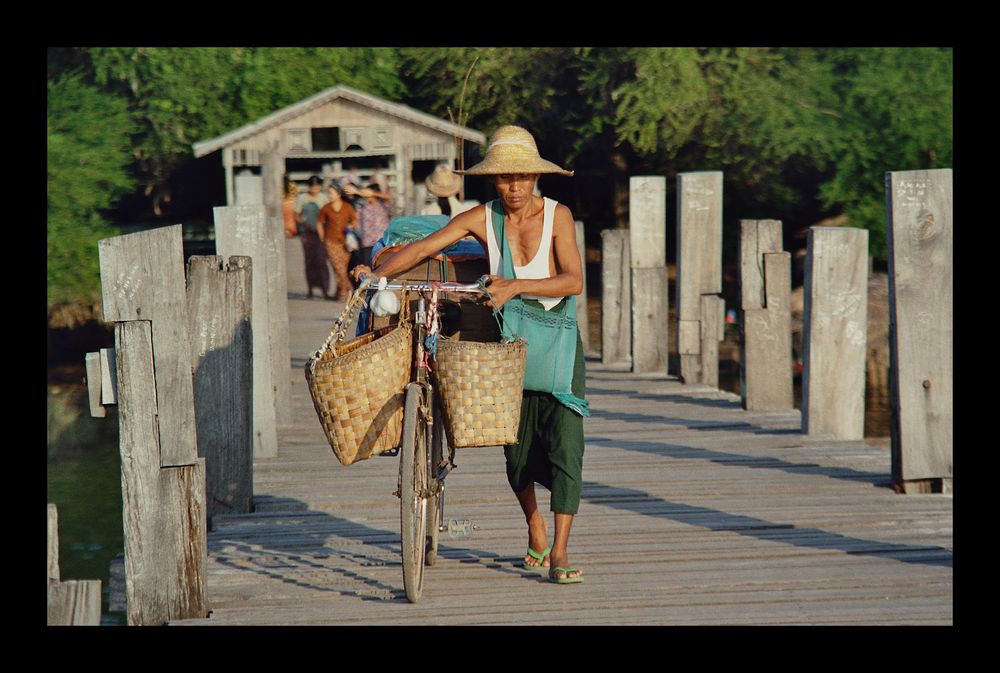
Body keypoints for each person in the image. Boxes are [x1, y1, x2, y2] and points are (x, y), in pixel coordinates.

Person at [351, 125, 587, 584]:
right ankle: (535, 527)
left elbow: (573, 280)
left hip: (558, 346)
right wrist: (375, 272)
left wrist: (516, 284)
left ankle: (560, 550)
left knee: (566, 447)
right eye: (504, 178)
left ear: (536, 176)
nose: (513, 186)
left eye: (521, 176)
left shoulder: (559, 216)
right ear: (493, 181)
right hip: (509, 345)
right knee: (514, 451)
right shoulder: (483, 217)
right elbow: (424, 247)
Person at [316, 183, 358, 301]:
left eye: (331, 193)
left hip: (345, 243)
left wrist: (351, 226)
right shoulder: (326, 208)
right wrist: (322, 238)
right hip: (330, 242)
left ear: (338, 194)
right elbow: (319, 223)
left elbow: (355, 222)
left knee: (342, 268)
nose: (329, 195)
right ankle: (348, 289)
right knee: (338, 267)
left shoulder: (347, 207)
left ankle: (339, 292)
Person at [294, 175, 332, 300]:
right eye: (312, 186)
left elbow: (328, 214)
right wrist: (305, 225)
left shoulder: (324, 198)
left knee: (321, 261)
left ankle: (325, 290)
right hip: (307, 234)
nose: (314, 188)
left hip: (321, 234)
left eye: (317, 186)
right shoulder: (302, 198)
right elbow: (297, 215)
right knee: (309, 261)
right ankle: (310, 289)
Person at [345, 180, 393, 279]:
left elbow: (389, 197)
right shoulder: (363, 206)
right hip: (367, 244)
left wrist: (363, 192)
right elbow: (354, 222)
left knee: (383, 270)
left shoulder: (383, 205)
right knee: (367, 271)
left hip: (383, 243)